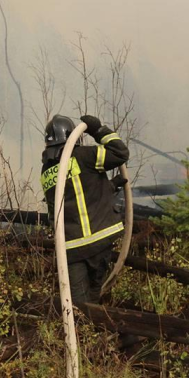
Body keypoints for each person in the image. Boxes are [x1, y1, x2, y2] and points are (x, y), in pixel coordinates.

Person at [40, 114, 130, 303]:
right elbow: (120, 153)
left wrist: (109, 187)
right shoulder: (84, 155)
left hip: (71, 248)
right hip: (99, 239)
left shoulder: (47, 169)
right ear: (75, 136)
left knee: (78, 304)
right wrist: (98, 130)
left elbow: (73, 195)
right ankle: (94, 329)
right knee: (94, 295)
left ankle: (83, 331)